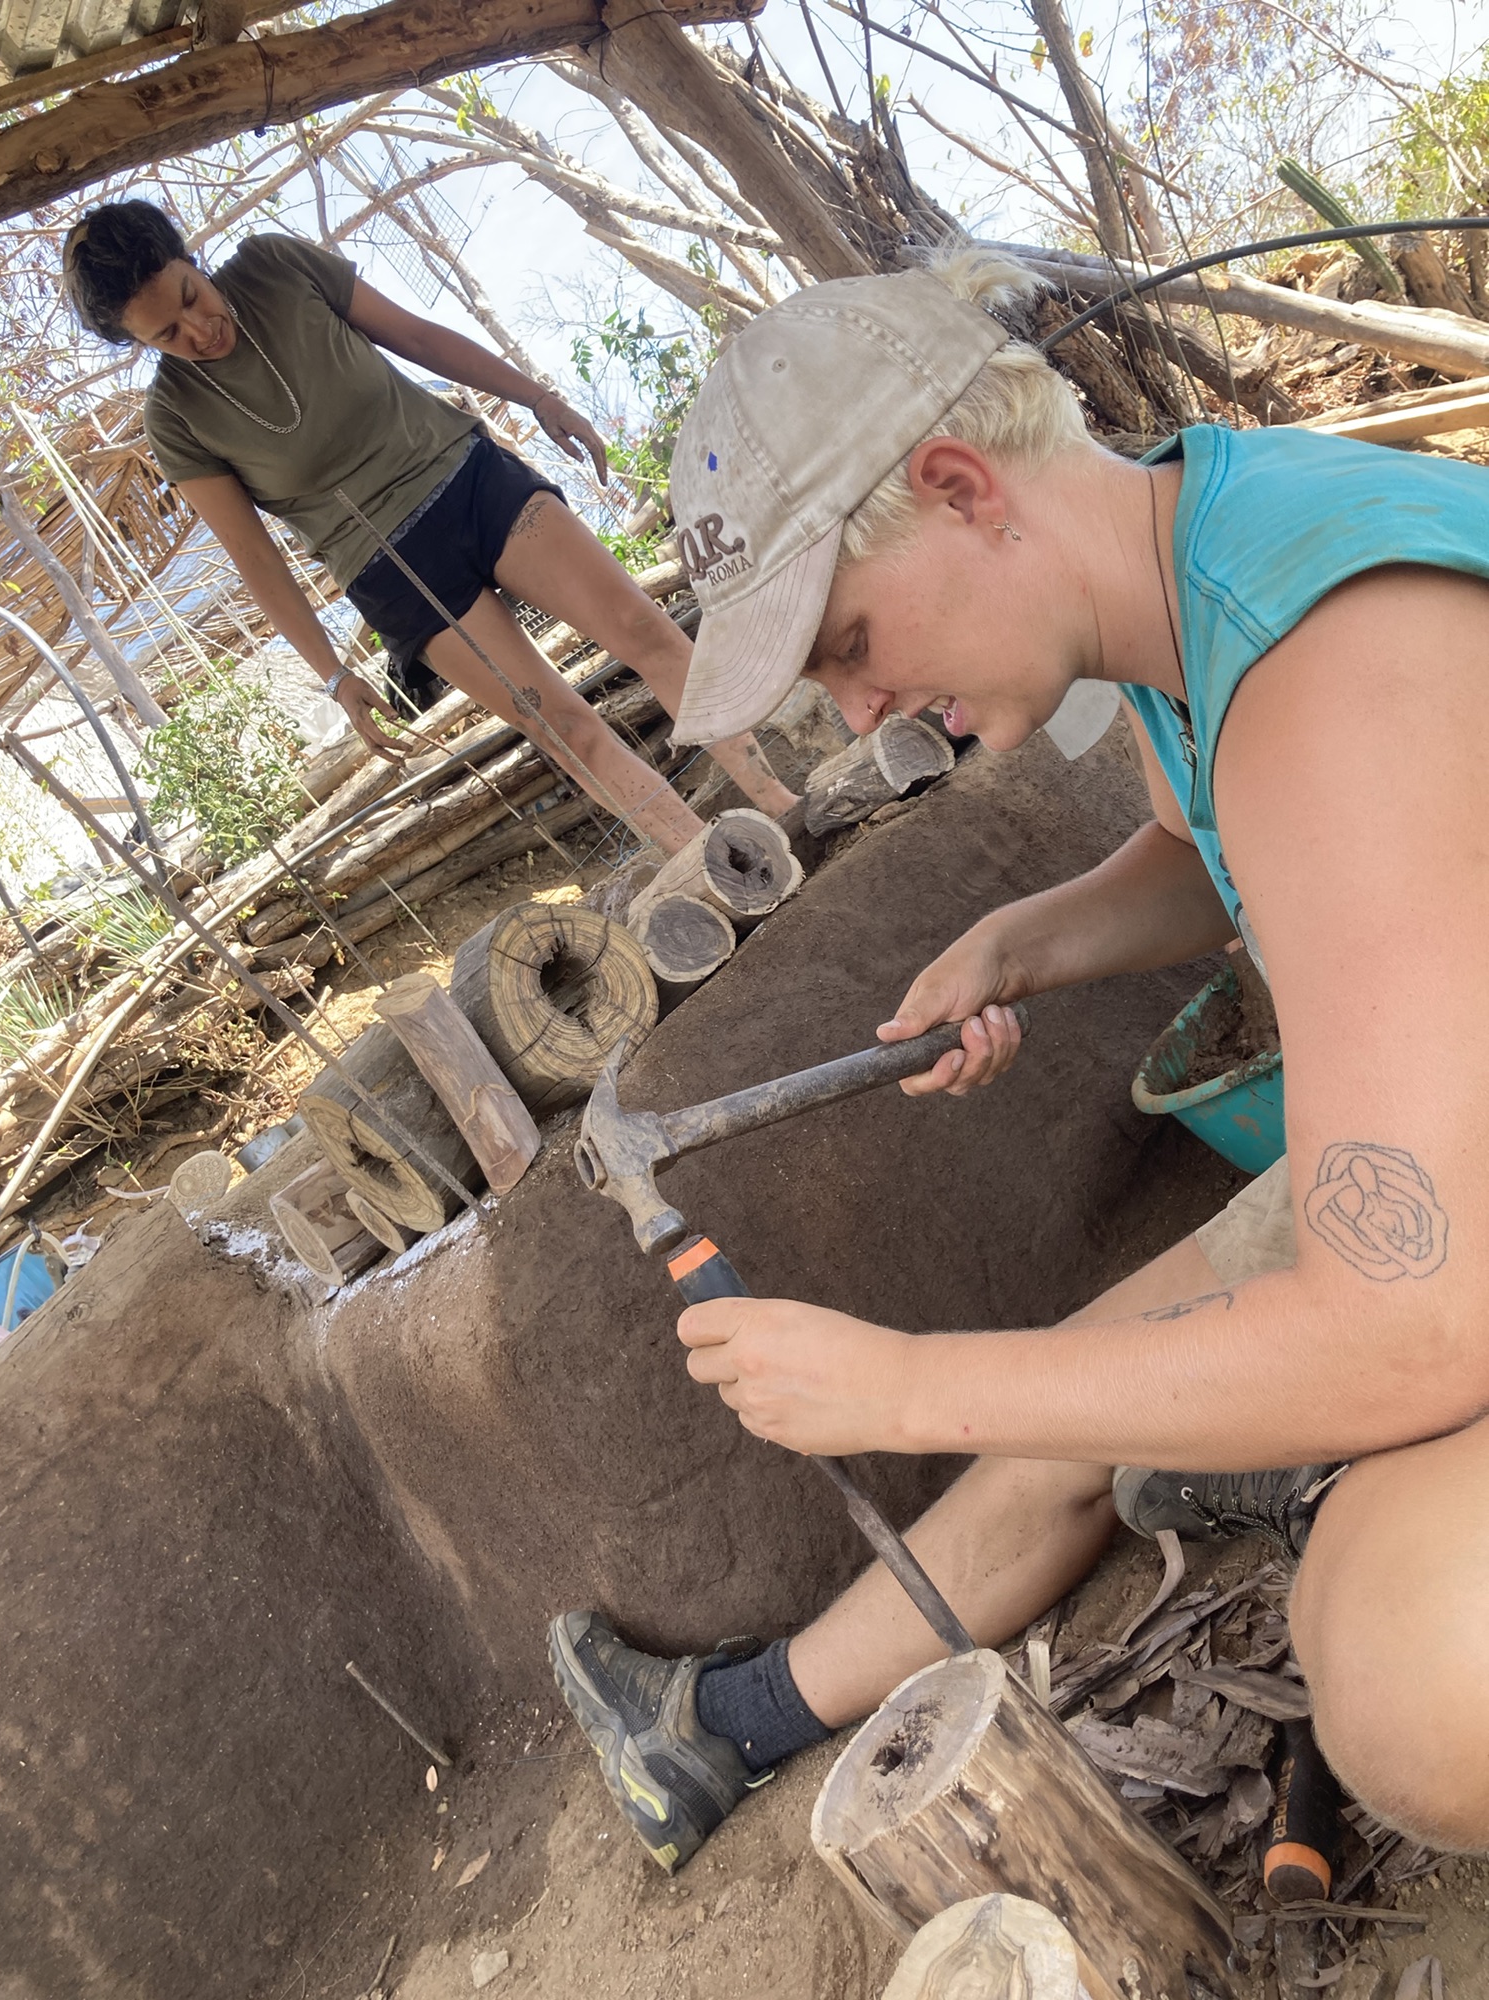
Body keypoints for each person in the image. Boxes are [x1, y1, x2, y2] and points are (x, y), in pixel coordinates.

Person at [548, 247, 1489, 1870]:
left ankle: (1330, 1489)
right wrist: (1022, 942)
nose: (860, 711)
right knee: (1085, 1392)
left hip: (1437, 1255)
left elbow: (1410, 1323)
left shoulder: (1326, 672)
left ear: (960, 487)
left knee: (1417, 1672)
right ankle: (725, 1727)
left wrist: (902, 1383)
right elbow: (1222, 848)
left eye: (848, 639)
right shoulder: (1197, 562)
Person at [62, 202, 798, 853]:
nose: (198, 330)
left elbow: (417, 337)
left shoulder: (273, 266)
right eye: (167, 334)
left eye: (190, 297)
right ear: (139, 343)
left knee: (642, 628)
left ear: (192, 260)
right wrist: (334, 676)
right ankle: (726, 870)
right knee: (562, 725)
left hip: (469, 479)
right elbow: (255, 558)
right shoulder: (175, 419)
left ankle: (782, 807)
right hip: (393, 572)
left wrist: (537, 397)